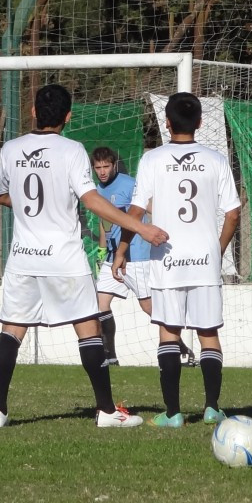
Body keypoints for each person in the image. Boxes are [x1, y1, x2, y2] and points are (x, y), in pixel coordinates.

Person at [0, 85, 168, 429]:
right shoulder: (72, 150)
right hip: (64, 258)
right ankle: (106, 411)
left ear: (33, 112)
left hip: (23, 257)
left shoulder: (10, 149)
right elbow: (91, 200)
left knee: (12, 330)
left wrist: (32, 209)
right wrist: (140, 227)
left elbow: (2, 196)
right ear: (68, 117)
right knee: (89, 328)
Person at [118, 93, 240, 428]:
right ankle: (212, 408)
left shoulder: (152, 159)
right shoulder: (216, 160)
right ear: (200, 121)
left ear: (167, 123)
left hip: (167, 260)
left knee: (169, 332)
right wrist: (217, 249)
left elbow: (136, 212)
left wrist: (122, 249)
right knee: (208, 332)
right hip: (204, 260)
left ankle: (173, 413)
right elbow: (233, 213)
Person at [89, 146, 195, 369]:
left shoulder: (129, 184)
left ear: (115, 165)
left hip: (136, 256)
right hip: (112, 257)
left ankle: (182, 349)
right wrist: (101, 252)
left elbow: (150, 208)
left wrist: (172, 227)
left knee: (148, 307)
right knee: (100, 304)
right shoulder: (97, 190)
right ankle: (111, 357)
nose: (102, 171)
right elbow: (103, 222)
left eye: (106, 166)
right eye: (98, 167)